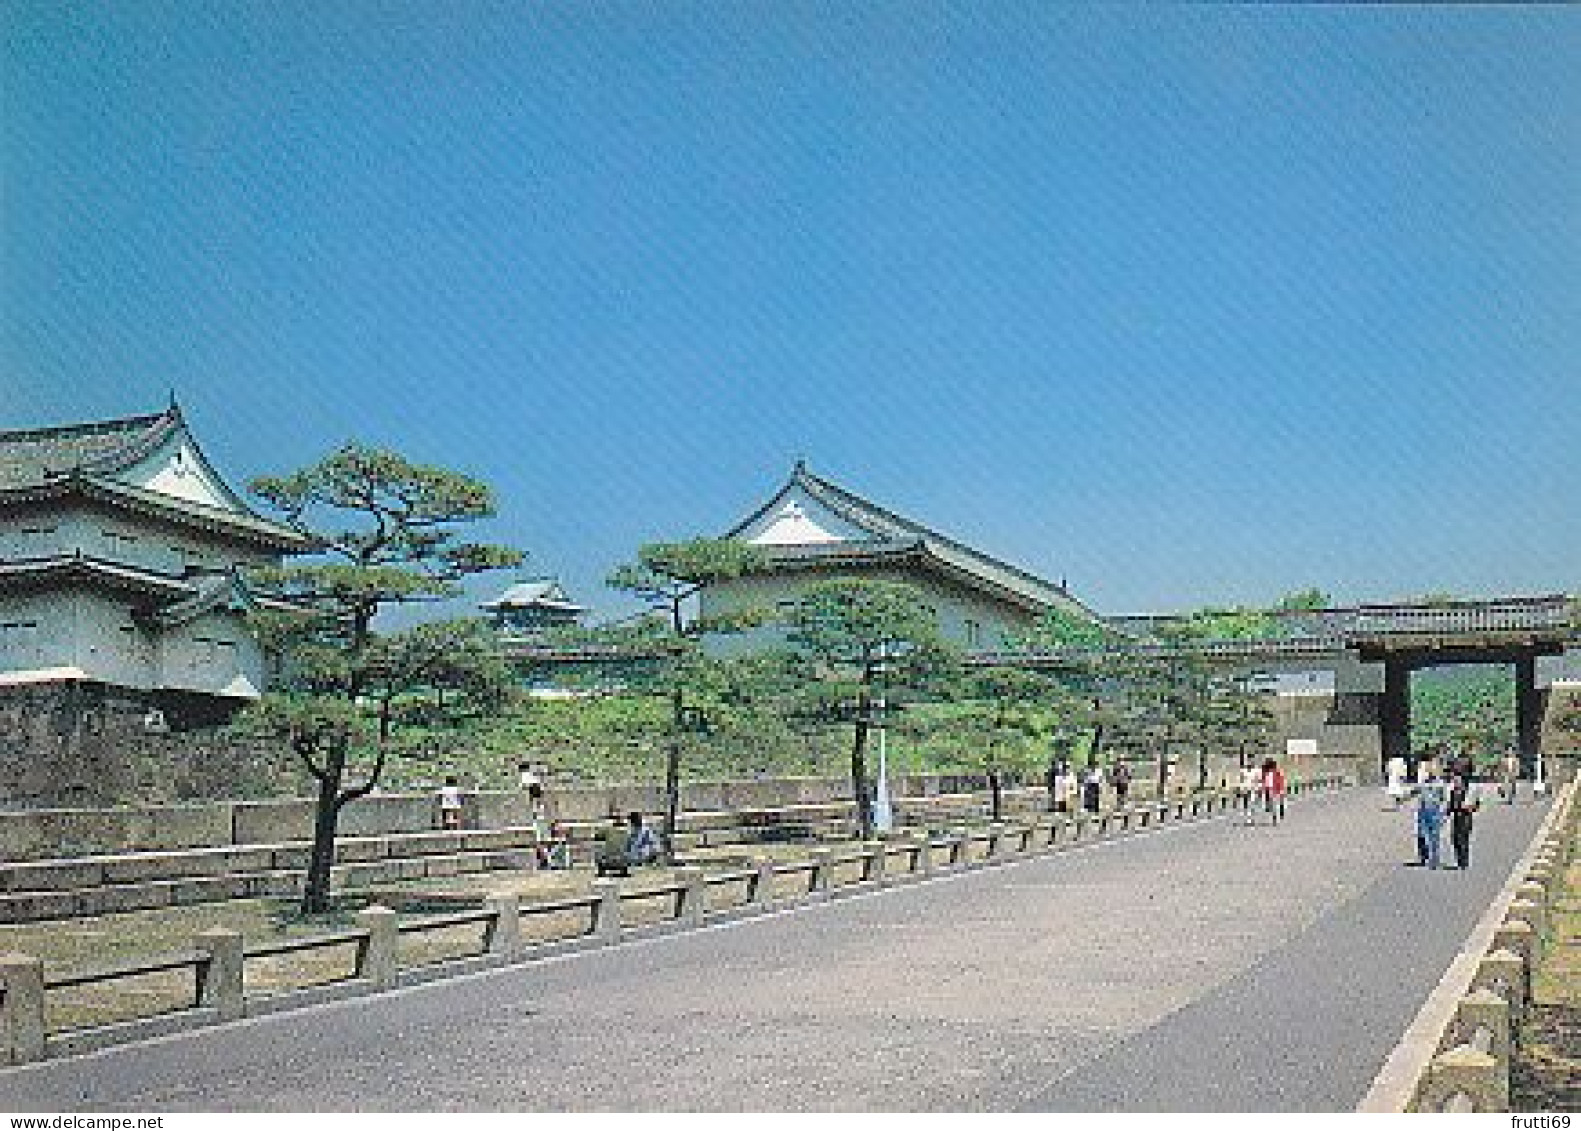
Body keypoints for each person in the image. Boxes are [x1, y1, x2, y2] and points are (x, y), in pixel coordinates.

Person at [1413, 761, 1448, 870]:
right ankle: (1424, 857)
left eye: (1432, 771)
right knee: (1421, 834)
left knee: (1434, 837)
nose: (1430, 773)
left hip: (1434, 811)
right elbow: (1416, 792)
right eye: (1429, 771)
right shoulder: (1423, 783)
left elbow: (1443, 798)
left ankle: (1435, 860)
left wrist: (1443, 813)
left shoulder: (1440, 784)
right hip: (1423, 810)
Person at [1447, 765, 1480, 870]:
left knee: (1463, 839)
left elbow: (1476, 804)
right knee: (1455, 839)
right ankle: (1460, 860)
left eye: (1456, 778)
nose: (1454, 780)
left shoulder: (1470, 790)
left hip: (1466, 817)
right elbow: (1451, 806)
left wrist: (1468, 807)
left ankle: (1464, 862)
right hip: (1456, 817)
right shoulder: (1453, 791)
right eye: (1454, 778)